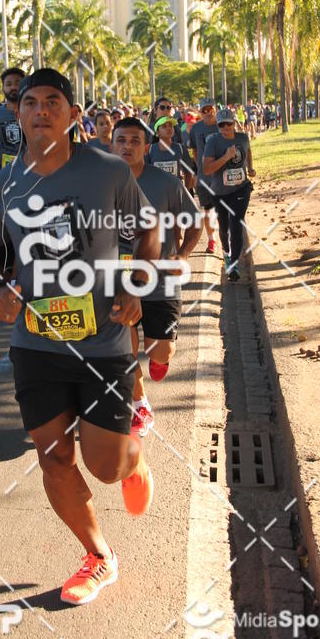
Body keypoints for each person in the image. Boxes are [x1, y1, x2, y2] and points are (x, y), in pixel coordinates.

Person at [0, 68, 159, 605]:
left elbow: (149, 229)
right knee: (54, 458)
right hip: (36, 345)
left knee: (106, 468)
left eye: (53, 102)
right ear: (18, 115)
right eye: (30, 102)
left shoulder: (105, 171)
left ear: (73, 114)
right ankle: (99, 556)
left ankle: (133, 456)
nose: (40, 110)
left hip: (104, 344)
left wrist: (137, 284)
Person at [112, 117, 201, 436]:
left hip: (161, 280)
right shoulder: (100, 185)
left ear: (146, 148)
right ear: (112, 145)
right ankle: (140, 402)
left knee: (159, 352)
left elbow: (195, 224)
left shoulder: (166, 184)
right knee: (124, 346)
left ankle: (159, 358)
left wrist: (183, 255)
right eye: (121, 140)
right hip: (119, 282)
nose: (127, 146)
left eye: (135, 141)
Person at [202, 107, 256, 282]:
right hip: (220, 192)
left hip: (241, 188)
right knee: (224, 227)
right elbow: (207, 168)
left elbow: (247, 151)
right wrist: (226, 157)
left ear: (234, 123)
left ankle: (233, 265)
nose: (226, 128)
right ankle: (226, 253)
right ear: (218, 126)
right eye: (222, 125)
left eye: (229, 124)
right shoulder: (213, 142)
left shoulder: (242, 137)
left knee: (236, 222)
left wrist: (250, 167)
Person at [188, 99, 219, 253]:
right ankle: (212, 239)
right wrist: (201, 168)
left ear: (215, 109)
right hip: (204, 178)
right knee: (208, 212)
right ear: (200, 112)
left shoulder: (223, 125)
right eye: (204, 110)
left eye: (210, 110)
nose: (207, 113)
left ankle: (226, 240)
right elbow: (194, 150)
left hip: (222, 178)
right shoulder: (196, 128)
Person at [146, 115, 194, 189]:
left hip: (175, 194)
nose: (168, 128)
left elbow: (188, 173)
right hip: (156, 194)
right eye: (164, 126)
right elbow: (145, 173)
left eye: (171, 126)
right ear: (157, 132)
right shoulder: (150, 149)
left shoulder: (180, 148)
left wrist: (185, 192)